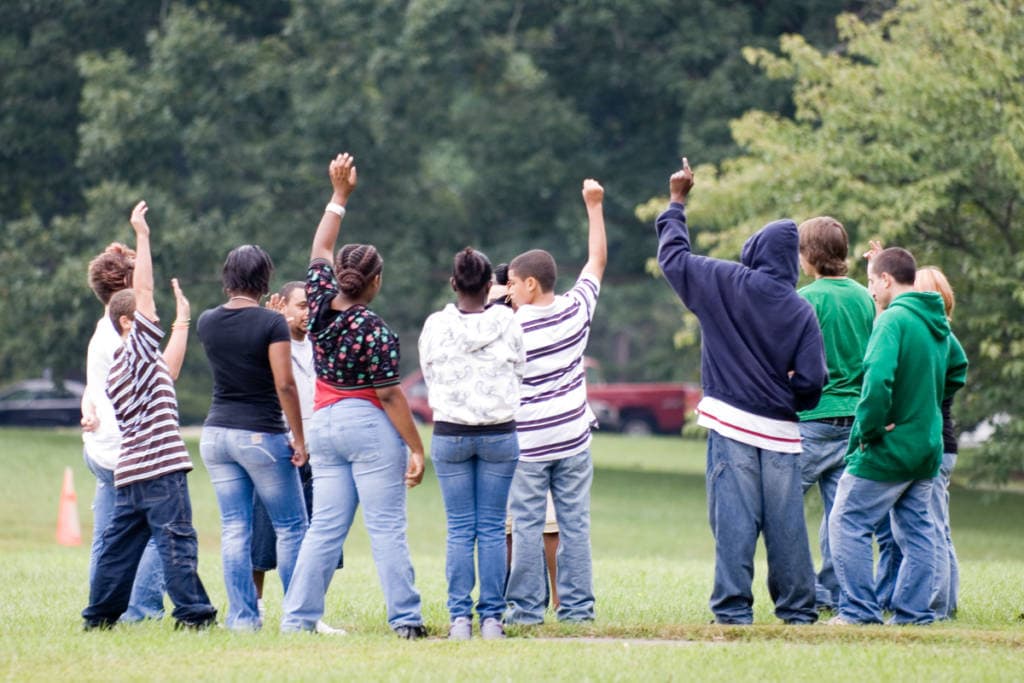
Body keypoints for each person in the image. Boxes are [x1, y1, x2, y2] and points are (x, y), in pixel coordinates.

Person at [655, 158, 827, 625]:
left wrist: (676, 202)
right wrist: (791, 396)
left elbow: (672, 260)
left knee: (733, 522)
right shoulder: (800, 310)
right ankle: (797, 612)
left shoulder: (725, 281)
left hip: (730, 423)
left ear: (754, 251)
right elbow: (814, 381)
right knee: (787, 527)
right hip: (782, 433)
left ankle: (733, 612)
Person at [281, 153, 427, 639]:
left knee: (324, 528)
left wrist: (340, 196)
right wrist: (415, 446)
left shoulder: (317, 303)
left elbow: (322, 243)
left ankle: (296, 621)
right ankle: (405, 620)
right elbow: (389, 395)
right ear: (376, 282)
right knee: (386, 528)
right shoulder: (376, 329)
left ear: (340, 277)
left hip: (323, 425)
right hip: (366, 427)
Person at [82, 200, 217, 630]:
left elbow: (169, 368)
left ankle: (99, 617)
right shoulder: (135, 347)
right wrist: (142, 235)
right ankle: (195, 616)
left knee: (119, 548)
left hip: (132, 472)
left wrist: (181, 322)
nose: (148, 315)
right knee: (177, 542)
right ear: (129, 323)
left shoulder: (128, 362)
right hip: (160, 470)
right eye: (140, 317)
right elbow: (142, 296)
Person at [828, 247, 968, 625]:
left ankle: (859, 612)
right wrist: (925, 403)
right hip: (926, 448)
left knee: (846, 521)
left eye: (872, 281)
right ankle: (913, 615)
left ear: (887, 279)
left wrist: (869, 431)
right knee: (918, 530)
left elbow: (876, 382)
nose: (870, 290)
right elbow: (958, 367)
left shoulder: (893, 321)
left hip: (888, 448)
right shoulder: (934, 319)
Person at [503, 177, 607, 625]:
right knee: (575, 524)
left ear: (529, 284)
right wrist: (594, 206)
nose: (507, 290)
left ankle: (525, 612)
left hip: (527, 445)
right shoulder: (575, 310)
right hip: (573, 437)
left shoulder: (509, 328)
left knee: (526, 525)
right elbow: (597, 261)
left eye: (510, 284)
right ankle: (578, 611)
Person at [197, 247, 309, 632]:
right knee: (292, 526)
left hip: (215, 434)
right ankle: (298, 618)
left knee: (234, 528)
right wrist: (298, 436)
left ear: (227, 277)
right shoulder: (272, 323)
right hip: (260, 433)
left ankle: (243, 619)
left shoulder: (207, 321)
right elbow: (284, 383)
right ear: (265, 278)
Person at [419, 247, 525, 640]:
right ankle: (493, 619)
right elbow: (521, 367)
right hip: (499, 432)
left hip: (451, 433)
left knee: (461, 529)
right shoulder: (509, 324)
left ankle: (460, 618)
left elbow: (428, 369)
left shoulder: (435, 325)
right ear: (489, 286)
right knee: (494, 528)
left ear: (452, 283)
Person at [249, 282, 344, 632]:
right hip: (280, 448)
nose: (307, 312)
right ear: (283, 307)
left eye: (311, 306)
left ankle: (309, 612)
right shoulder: (274, 346)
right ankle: (254, 608)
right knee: (262, 534)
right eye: (300, 305)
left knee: (320, 534)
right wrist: (266, 331)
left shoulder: (319, 346)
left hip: (319, 449)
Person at [80, 242, 166, 622]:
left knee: (108, 537)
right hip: (127, 450)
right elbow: (168, 374)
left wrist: (123, 260)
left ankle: (101, 608)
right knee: (164, 530)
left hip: (101, 449)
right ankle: (142, 609)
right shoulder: (127, 336)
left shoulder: (104, 327)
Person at [795, 217, 876, 612]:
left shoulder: (807, 300)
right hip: (855, 421)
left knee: (781, 507)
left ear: (809, 255)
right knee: (841, 514)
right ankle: (838, 590)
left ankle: (808, 590)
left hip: (813, 419)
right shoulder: (866, 298)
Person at [914, 266, 961, 619]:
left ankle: (939, 605)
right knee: (937, 525)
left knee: (932, 527)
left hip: (938, 443)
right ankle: (947, 601)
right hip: (944, 442)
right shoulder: (942, 336)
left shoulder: (940, 338)